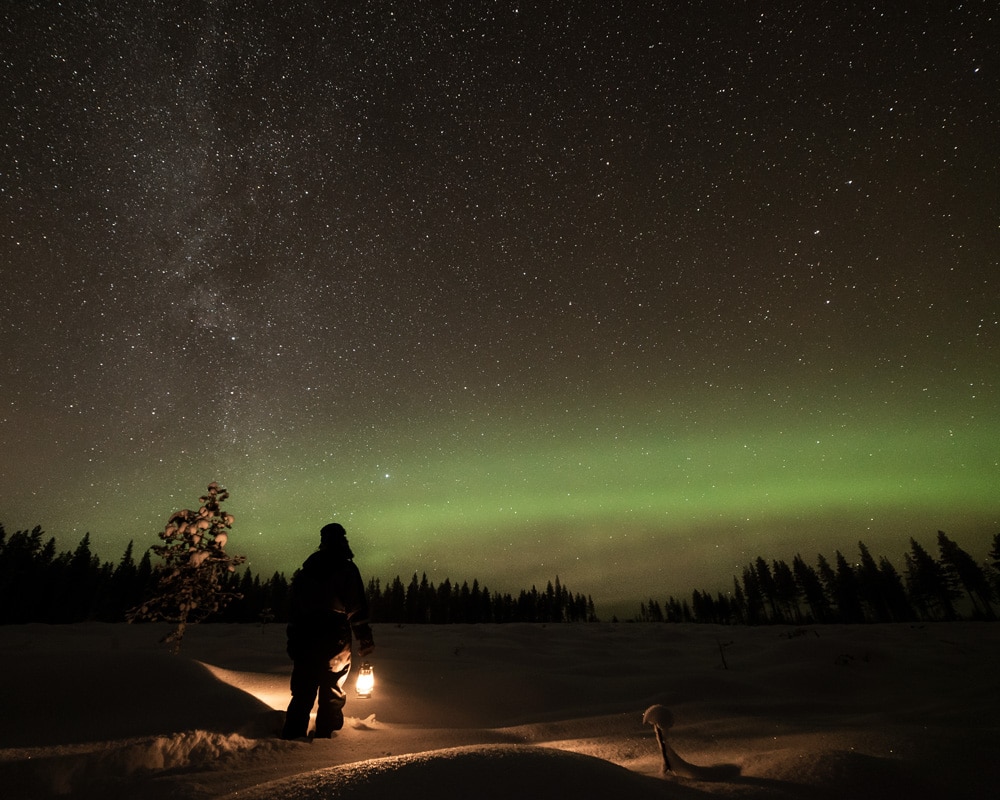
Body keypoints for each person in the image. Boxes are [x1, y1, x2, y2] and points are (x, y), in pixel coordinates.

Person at [281, 522, 375, 740]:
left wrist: (293, 638)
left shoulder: (308, 570)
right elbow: (356, 606)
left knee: (303, 689)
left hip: (305, 635)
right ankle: (327, 736)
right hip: (334, 637)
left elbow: (294, 608)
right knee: (332, 687)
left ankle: (292, 735)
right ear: (343, 540)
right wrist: (365, 638)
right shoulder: (346, 569)